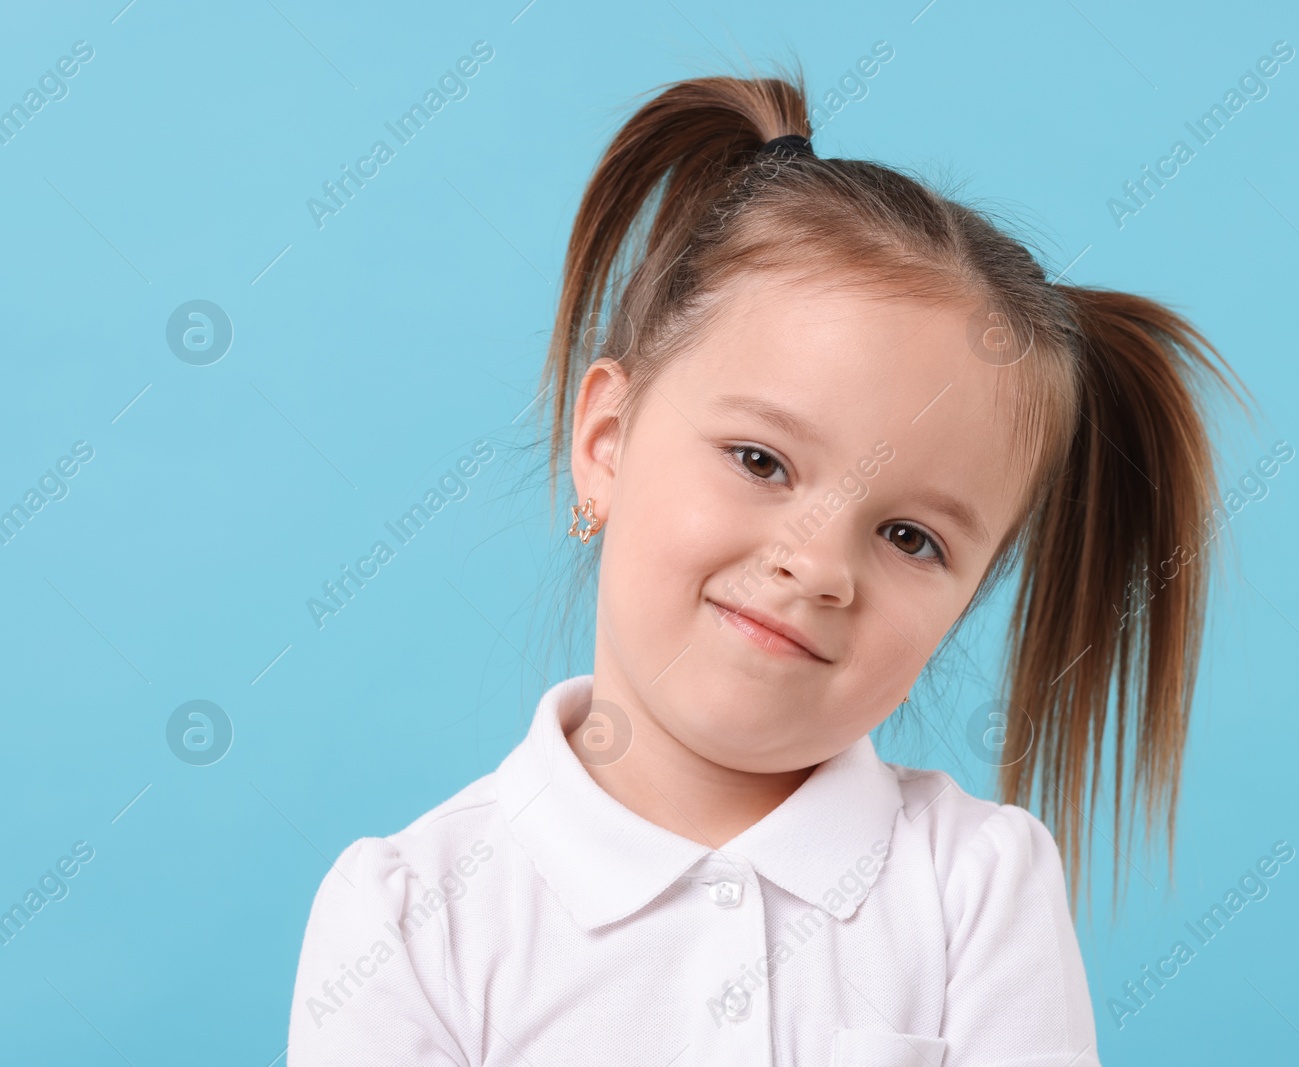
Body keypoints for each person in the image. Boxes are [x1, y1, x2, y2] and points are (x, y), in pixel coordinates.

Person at [287, 69, 1242, 1066]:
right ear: (606, 440)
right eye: (761, 461)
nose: (819, 563)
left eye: (911, 536)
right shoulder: (409, 916)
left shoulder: (975, 887)